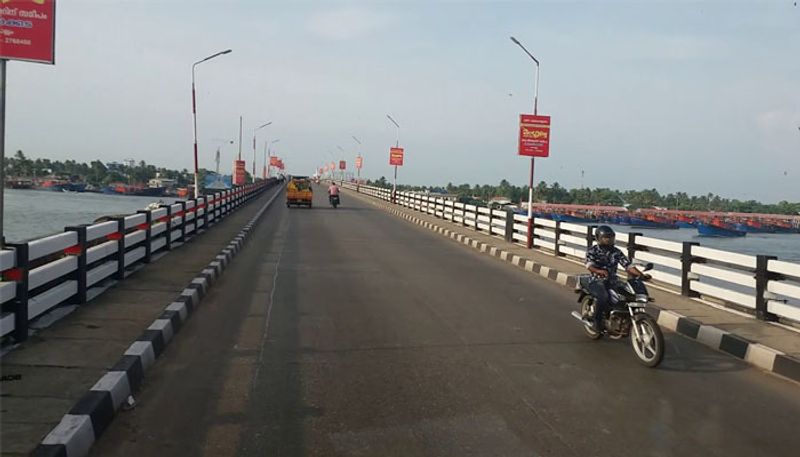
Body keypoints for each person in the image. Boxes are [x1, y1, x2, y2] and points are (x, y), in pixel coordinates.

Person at [584, 225, 651, 332]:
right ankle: (596, 322)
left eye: (611, 237)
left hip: (613, 280)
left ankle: (623, 318)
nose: (609, 240)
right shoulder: (593, 251)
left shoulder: (616, 252)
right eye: (606, 237)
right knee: (604, 297)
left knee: (628, 296)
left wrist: (640, 275)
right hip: (596, 281)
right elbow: (589, 265)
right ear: (599, 238)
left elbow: (628, 266)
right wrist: (599, 271)